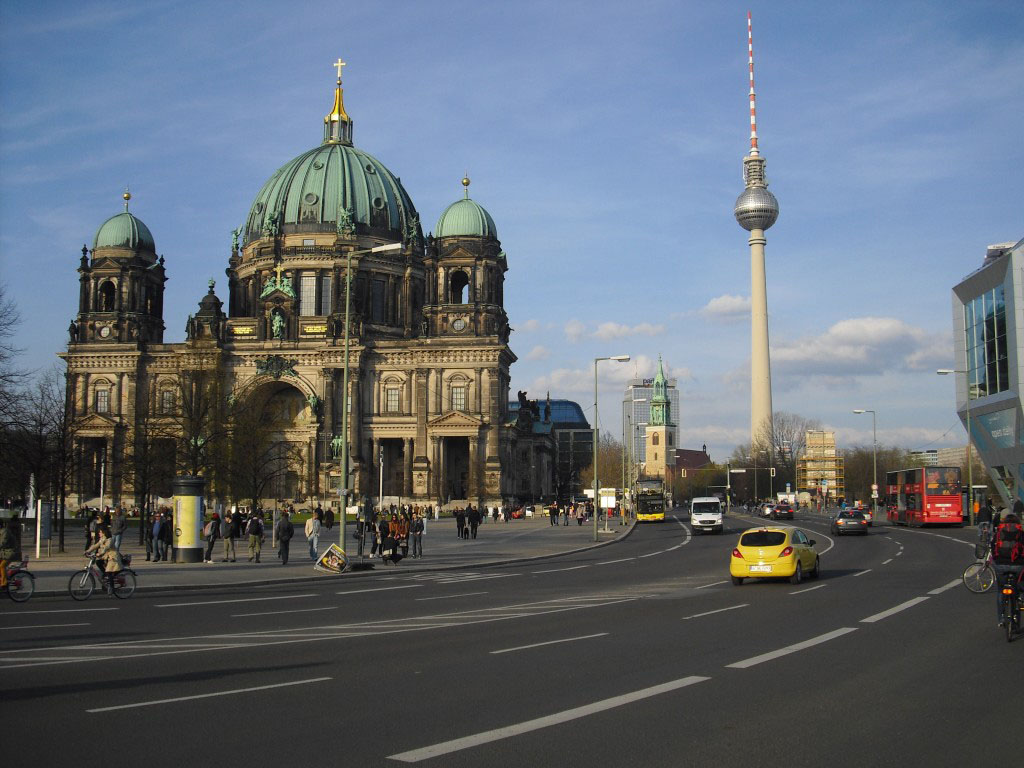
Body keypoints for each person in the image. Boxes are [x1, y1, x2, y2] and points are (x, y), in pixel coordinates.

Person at [991, 510, 1024, 627]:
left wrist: (996, 560)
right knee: (1019, 585)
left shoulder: (999, 532)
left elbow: (993, 547)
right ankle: (1020, 599)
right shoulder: (1021, 533)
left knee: (1000, 590)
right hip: (1018, 565)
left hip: (1000, 566)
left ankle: (1001, 619)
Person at [84, 527, 122, 593]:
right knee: (98, 562)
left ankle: (111, 588)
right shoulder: (102, 539)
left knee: (109, 571)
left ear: (104, 533)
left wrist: (100, 553)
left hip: (113, 557)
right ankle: (105, 575)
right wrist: (88, 551)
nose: (99, 533)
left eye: (100, 532)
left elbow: (107, 547)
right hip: (106, 556)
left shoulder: (110, 540)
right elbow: (95, 545)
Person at [0, 519, 16, 589]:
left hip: (9, 553)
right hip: (4, 553)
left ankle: (4, 583)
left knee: (2, 566)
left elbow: (2, 543)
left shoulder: (5, 532)